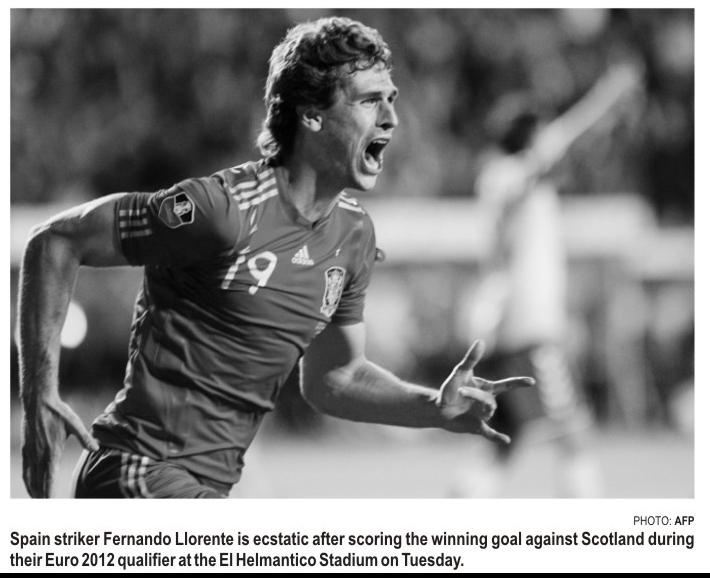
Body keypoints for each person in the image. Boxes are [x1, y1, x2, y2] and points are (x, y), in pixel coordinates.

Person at [18, 16, 534, 499]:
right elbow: (55, 242)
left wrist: (434, 408)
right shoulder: (222, 211)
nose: (392, 118)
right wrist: (40, 394)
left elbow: (334, 379)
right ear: (311, 114)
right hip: (135, 470)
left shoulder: (353, 235)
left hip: (204, 487)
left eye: (391, 99)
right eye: (369, 101)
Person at [456, 63, 641, 498]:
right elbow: (566, 139)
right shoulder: (506, 176)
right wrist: (607, 96)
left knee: (505, 439)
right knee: (574, 431)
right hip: (528, 330)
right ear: (530, 138)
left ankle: (458, 505)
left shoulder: (510, 179)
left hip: (511, 326)